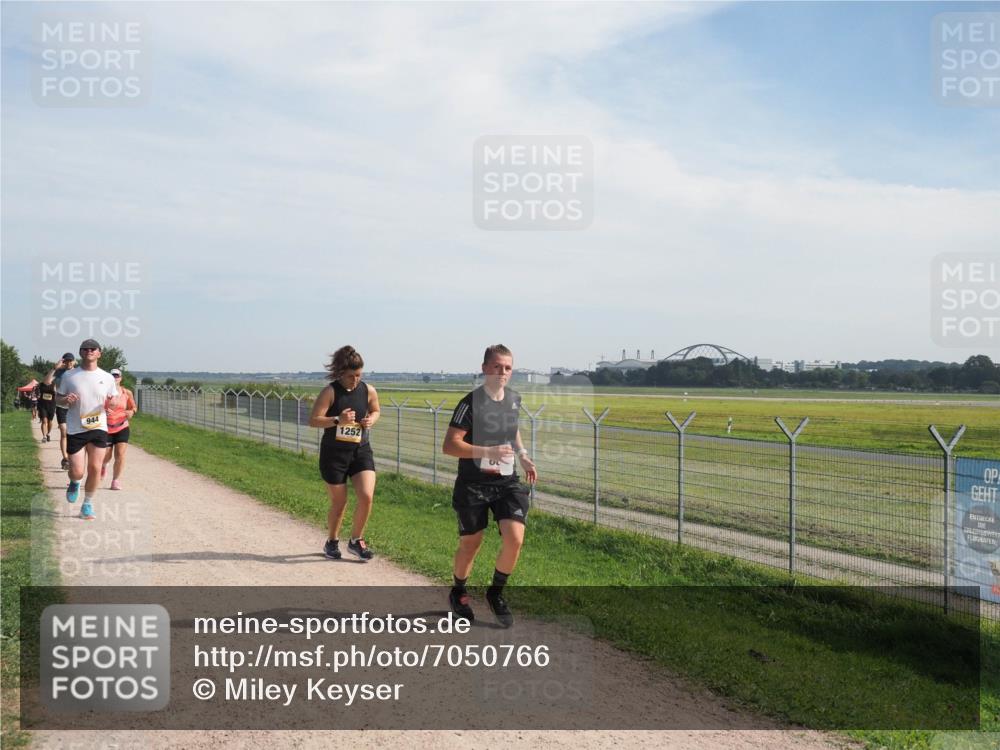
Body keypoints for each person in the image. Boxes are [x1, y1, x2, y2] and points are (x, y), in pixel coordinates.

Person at [442, 344, 537, 628]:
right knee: (471, 543)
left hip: (506, 482)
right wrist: (487, 451)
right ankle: (458, 591)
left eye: (508, 367)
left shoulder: (513, 400)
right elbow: (449, 445)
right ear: (484, 368)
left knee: (515, 537)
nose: (502, 372)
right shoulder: (470, 403)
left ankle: (496, 593)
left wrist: (523, 456)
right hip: (473, 484)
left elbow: (512, 431)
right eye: (497, 366)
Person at [308, 346, 380, 561]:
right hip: (334, 455)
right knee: (340, 504)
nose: (355, 380)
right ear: (340, 373)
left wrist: (371, 420)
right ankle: (331, 541)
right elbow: (313, 420)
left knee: (366, 497)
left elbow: (376, 410)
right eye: (350, 376)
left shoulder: (369, 390)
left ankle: (356, 540)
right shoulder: (330, 392)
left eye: (359, 375)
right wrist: (338, 419)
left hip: (360, 451)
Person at [55, 339, 118, 520]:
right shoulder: (69, 376)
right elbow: (58, 399)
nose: (89, 351)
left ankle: (87, 504)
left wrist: (111, 403)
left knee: (95, 468)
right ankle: (75, 482)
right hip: (76, 428)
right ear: (81, 352)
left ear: (99, 353)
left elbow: (113, 398)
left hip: (99, 426)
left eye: (93, 349)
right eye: (85, 349)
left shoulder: (107, 377)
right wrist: (66, 400)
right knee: (77, 470)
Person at [102, 368, 137, 490]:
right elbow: (94, 407)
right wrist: (103, 410)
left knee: (120, 454)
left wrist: (131, 411)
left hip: (122, 426)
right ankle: (104, 465)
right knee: (106, 454)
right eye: (112, 376)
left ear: (120, 378)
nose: (114, 378)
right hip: (106, 427)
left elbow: (133, 407)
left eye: (117, 376)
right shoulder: (103, 392)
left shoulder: (126, 393)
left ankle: (115, 480)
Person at [44, 353, 77, 470]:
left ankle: (73, 456)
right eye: (66, 361)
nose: (68, 363)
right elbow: (47, 382)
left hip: (74, 407)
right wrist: (54, 368)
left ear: (74, 361)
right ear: (63, 362)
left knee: (72, 433)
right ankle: (66, 458)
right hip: (61, 405)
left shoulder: (78, 372)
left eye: (70, 361)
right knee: (64, 431)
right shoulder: (59, 372)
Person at [37, 378, 57, 443]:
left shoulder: (54, 384)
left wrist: (55, 390)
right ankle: (44, 436)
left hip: (51, 405)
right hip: (42, 405)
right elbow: (38, 393)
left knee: (50, 421)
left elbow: (57, 394)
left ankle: (48, 433)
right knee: (44, 421)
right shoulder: (41, 384)